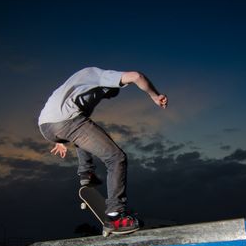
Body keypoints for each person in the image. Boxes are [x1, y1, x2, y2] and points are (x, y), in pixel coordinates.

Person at [38, 67, 168, 234]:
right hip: (65, 122)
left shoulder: (78, 85)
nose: (108, 97)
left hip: (46, 127)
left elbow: (69, 120)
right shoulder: (99, 75)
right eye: (110, 94)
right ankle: (115, 216)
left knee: (82, 128)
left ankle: (86, 173)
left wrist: (61, 140)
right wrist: (155, 96)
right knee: (116, 157)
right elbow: (137, 76)